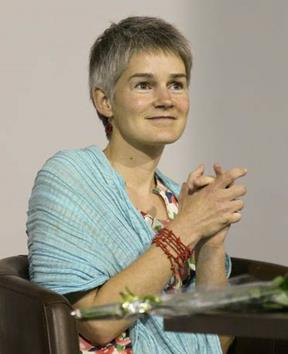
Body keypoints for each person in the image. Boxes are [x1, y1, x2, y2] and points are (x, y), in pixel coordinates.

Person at [26, 16, 247, 354]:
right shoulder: (69, 179)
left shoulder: (179, 200)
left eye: (177, 84)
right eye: (144, 85)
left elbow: (216, 341)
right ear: (105, 101)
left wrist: (210, 245)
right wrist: (188, 227)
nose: (166, 99)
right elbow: (98, 322)